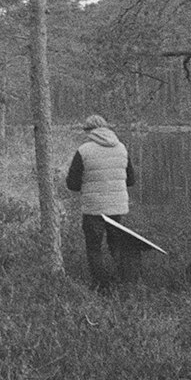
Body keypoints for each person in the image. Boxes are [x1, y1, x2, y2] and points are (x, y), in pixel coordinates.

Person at [65, 113, 136, 294]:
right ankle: (122, 283)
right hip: (116, 207)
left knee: (94, 248)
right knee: (116, 246)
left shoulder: (84, 150)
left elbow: (72, 184)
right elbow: (131, 180)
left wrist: (87, 183)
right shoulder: (121, 148)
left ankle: (102, 287)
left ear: (89, 130)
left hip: (94, 209)